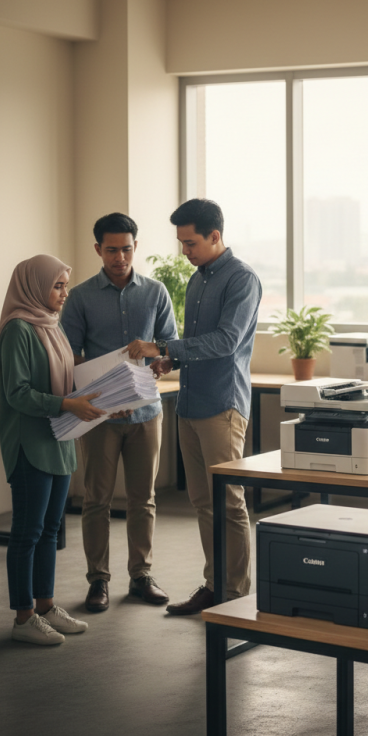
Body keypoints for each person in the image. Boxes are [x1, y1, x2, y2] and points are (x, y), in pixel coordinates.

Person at [128, 198, 261, 615]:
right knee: (203, 503)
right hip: (190, 403)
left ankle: (235, 595)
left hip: (223, 405)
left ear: (215, 236)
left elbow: (227, 341)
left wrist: (164, 345)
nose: (184, 251)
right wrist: (173, 360)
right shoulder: (197, 280)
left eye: (190, 243)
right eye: (182, 243)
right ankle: (213, 585)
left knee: (229, 501)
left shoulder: (242, 280)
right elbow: (200, 344)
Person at [61, 213, 178, 613]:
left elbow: (170, 347)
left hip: (146, 412)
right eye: (111, 249)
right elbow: (69, 358)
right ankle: (98, 580)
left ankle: (141, 575)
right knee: (96, 499)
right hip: (98, 416)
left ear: (135, 247)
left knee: (143, 498)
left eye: (126, 248)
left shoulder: (156, 292)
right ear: (98, 249)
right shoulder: (79, 297)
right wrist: (94, 397)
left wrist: (163, 361)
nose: (120, 257)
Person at [0, 254, 104, 645]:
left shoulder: (52, 326)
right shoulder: (18, 330)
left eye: (65, 286)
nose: (64, 294)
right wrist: (66, 405)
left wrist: (104, 396)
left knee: (52, 531)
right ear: (34, 285)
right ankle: (23, 617)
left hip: (59, 440)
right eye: (57, 285)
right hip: (31, 444)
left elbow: (67, 382)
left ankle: (44, 605)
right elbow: (18, 393)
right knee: (28, 531)